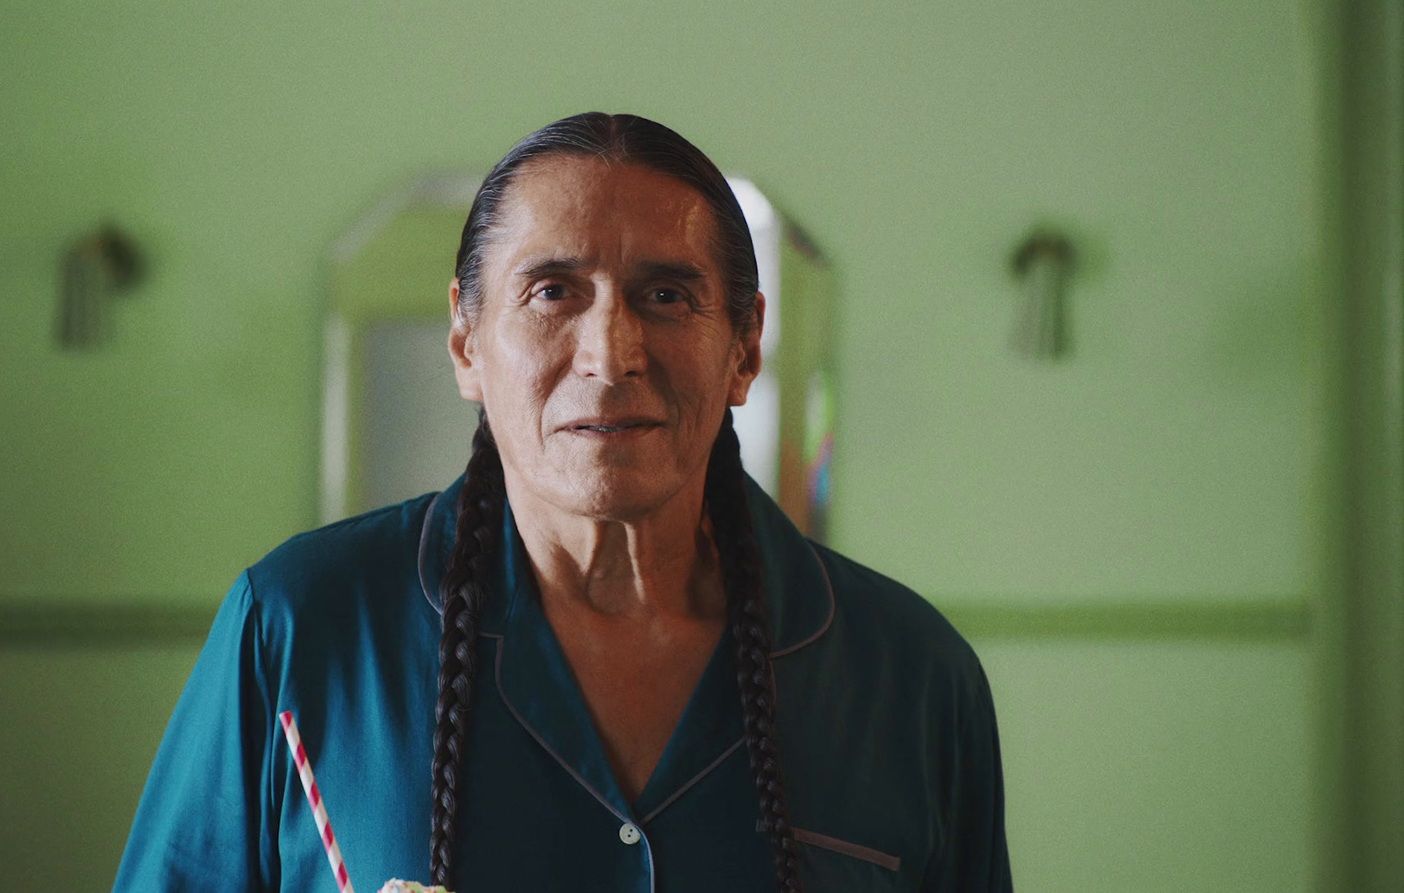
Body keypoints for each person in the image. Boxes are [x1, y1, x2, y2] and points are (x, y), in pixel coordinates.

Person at [112, 112, 1011, 893]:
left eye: (666, 295)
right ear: (465, 340)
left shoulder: (913, 677)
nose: (610, 351)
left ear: (744, 347)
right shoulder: (303, 627)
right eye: (552, 292)